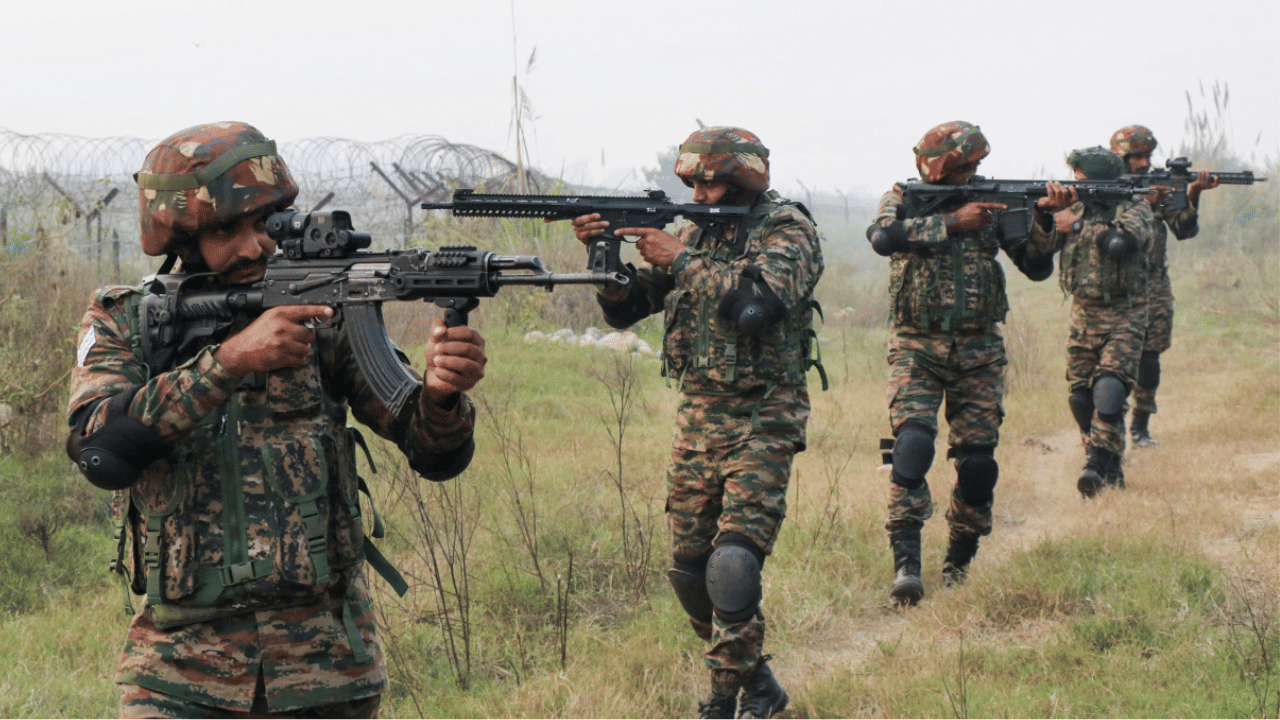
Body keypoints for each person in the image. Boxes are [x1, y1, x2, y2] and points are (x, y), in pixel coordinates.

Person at [65, 121, 487, 718]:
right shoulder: (126, 320)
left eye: (264, 223)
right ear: (180, 237)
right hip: (178, 673)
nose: (253, 247)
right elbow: (100, 449)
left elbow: (434, 454)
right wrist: (229, 362)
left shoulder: (323, 314)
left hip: (327, 670)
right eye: (225, 231)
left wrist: (441, 397)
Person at [571, 126, 823, 719]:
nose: (699, 196)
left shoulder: (787, 230)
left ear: (742, 180)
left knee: (732, 564)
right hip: (699, 416)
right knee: (689, 571)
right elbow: (627, 311)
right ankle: (759, 683)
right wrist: (603, 255)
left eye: (710, 185)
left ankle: (724, 697)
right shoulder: (694, 233)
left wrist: (681, 259)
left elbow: (757, 307)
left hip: (765, 413)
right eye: (694, 185)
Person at [865, 121, 1058, 607]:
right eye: (966, 166)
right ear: (941, 168)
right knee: (911, 447)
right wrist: (953, 222)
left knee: (977, 465)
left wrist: (1044, 219)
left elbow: (1036, 266)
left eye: (977, 165)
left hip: (979, 352)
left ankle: (958, 563)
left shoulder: (994, 204)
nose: (975, 173)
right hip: (916, 347)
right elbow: (883, 237)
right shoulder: (902, 197)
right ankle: (907, 564)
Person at [1024, 146, 1157, 498]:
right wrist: (1044, 215)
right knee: (1081, 397)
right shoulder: (1072, 208)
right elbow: (1039, 253)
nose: (1074, 186)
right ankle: (1107, 463)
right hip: (1083, 314)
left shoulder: (1136, 207)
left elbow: (1122, 243)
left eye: (1081, 180)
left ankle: (1096, 462)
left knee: (1109, 387)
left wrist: (1078, 225)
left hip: (1126, 313)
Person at [1109, 125, 1218, 447]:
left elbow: (1184, 230)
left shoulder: (1158, 186)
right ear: (1119, 158)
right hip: (1115, 290)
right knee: (1112, 366)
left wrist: (1192, 194)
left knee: (1149, 360)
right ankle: (1108, 428)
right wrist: (1141, 202)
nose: (1144, 163)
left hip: (1153, 287)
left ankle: (1140, 427)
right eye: (1136, 157)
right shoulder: (1104, 189)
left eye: (1148, 156)